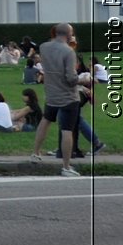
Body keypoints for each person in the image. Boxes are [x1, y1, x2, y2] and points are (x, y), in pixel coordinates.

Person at [31, 23, 86, 176]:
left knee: (46, 121)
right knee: (67, 130)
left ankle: (36, 153)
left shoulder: (44, 47)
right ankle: (66, 166)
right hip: (68, 96)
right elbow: (70, 78)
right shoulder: (68, 51)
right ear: (69, 34)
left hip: (51, 93)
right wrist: (85, 80)